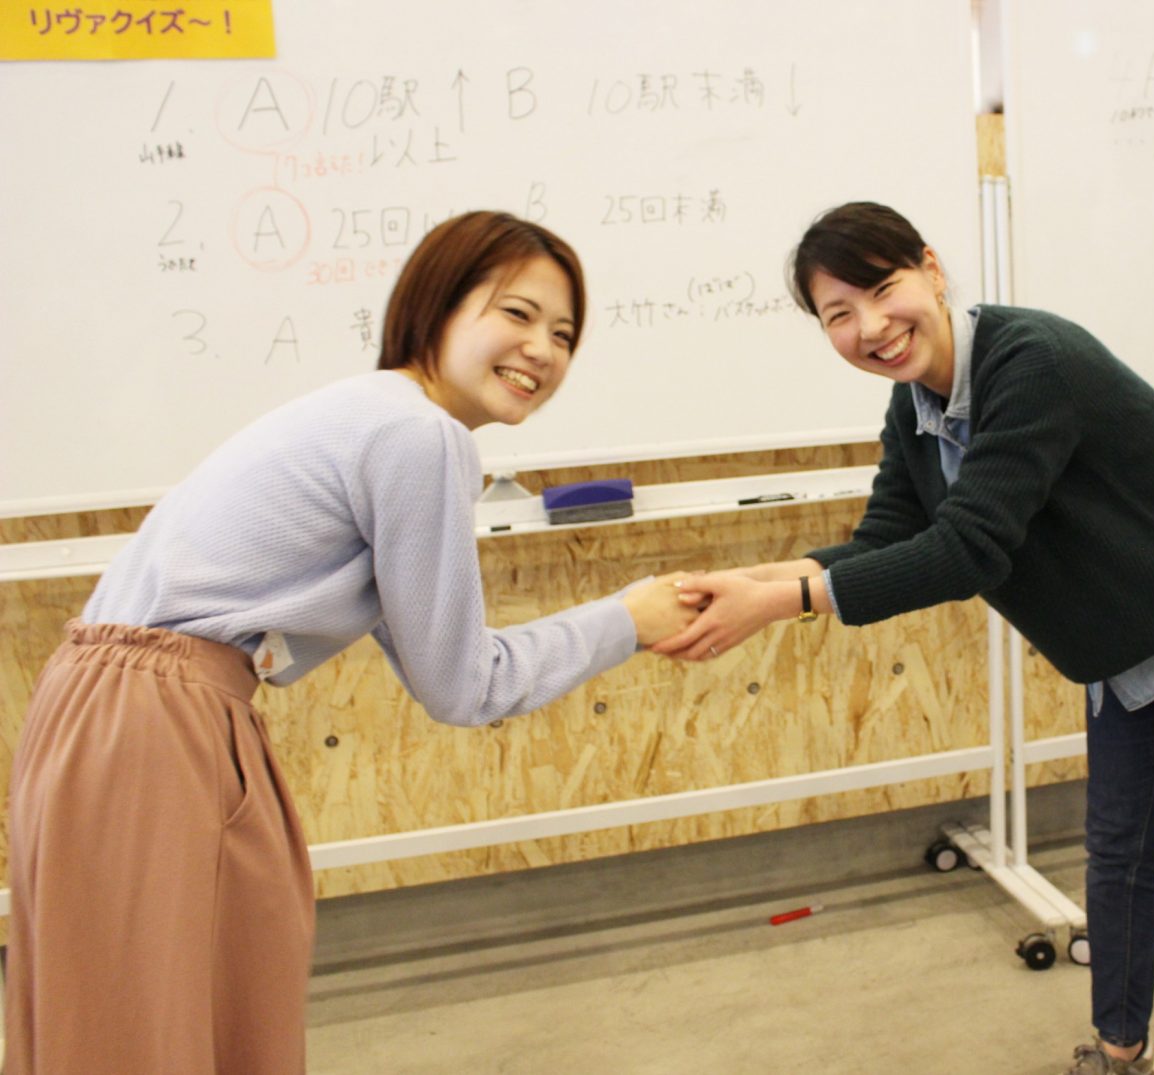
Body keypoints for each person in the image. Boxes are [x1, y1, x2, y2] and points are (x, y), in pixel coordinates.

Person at [4, 211, 697, 1074]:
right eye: (517, 314)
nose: (543, 350)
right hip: (158, 723)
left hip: (104, 709)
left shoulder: (367, 415)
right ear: (436, 306)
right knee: (156, 1028)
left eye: (564, 333)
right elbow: (465, 686)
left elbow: (436, 659)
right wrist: (630, 618)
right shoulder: (420, 435)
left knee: (127, 1009)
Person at [655, 202, 1154, 1075]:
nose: (871, 327)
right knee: (1116, 855)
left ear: (931, 269)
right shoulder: (913, 404)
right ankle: (1118, 1050)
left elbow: (969, 548)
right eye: (838, 313)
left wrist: (779, 604)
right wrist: (756, 580)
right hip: (1124, 640)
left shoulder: (1032, 362)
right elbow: (887, 538)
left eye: (882, 289)